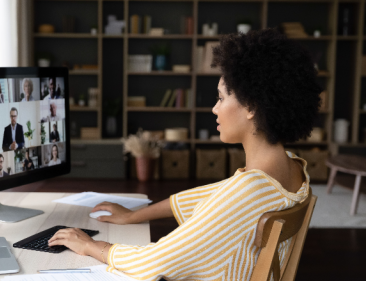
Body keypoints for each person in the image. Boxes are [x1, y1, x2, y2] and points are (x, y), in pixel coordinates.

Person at [47, 28, 321, 281]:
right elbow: (207, 197)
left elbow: (154, 261)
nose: (215, 108)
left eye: (222, 98)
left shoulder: (247, 191)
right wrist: (134, 216)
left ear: (251, 106)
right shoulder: (293, 168)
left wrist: (91, 245)